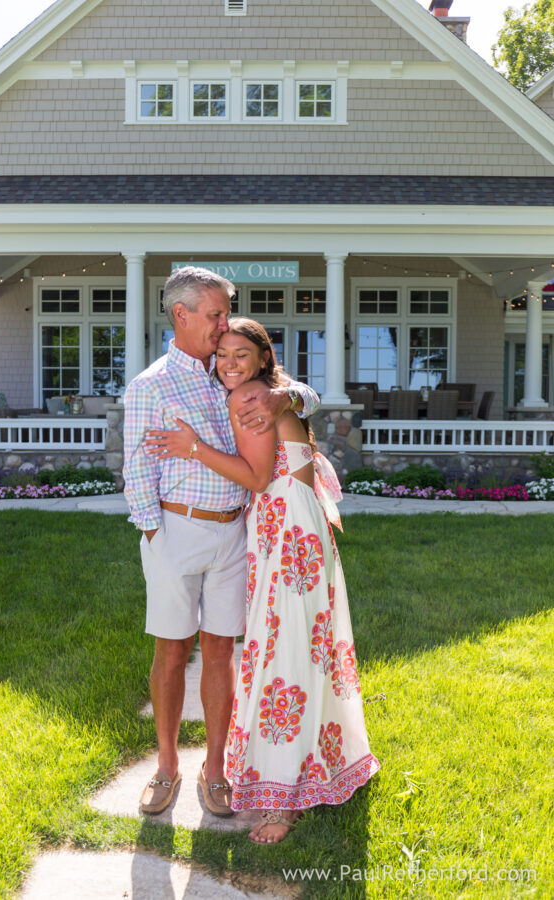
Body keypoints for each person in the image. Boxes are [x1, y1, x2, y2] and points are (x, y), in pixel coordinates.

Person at [145, 318, 380, 844]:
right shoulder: (272, 391)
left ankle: (285, 799)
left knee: (286, 654)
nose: (229, 363)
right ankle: (315, 765)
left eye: (241, 355)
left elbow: (254, 477)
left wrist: (192, 448)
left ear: (261, 359)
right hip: (295, 527)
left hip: (287, 532)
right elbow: (297, 412)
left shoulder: (250, 396)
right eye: (222, 354)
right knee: (302, 648)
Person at [123, 267, 319, 818]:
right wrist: (155, 535)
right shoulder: (151, 385)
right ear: (181, 314)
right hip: (176, 531)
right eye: (215, 314)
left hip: (236, 531)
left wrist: (287, 398)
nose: (223, 324)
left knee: (220, 650)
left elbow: (306, 394)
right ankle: (166, 767)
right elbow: (135, 469)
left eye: (226, 314)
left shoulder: (229, 368)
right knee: (171, 650)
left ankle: (216, 769)